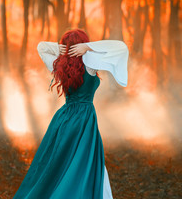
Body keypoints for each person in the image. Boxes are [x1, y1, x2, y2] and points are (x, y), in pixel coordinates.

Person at [13, 29, 129, 199]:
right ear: (82, 43)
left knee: (58, 163)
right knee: (82, 162)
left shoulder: (59, 63)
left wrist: (58, 49)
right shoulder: (90, 62)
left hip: (64, 118)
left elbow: (41, 48)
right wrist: (88, 47)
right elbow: (121, 48)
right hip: (83, 119)